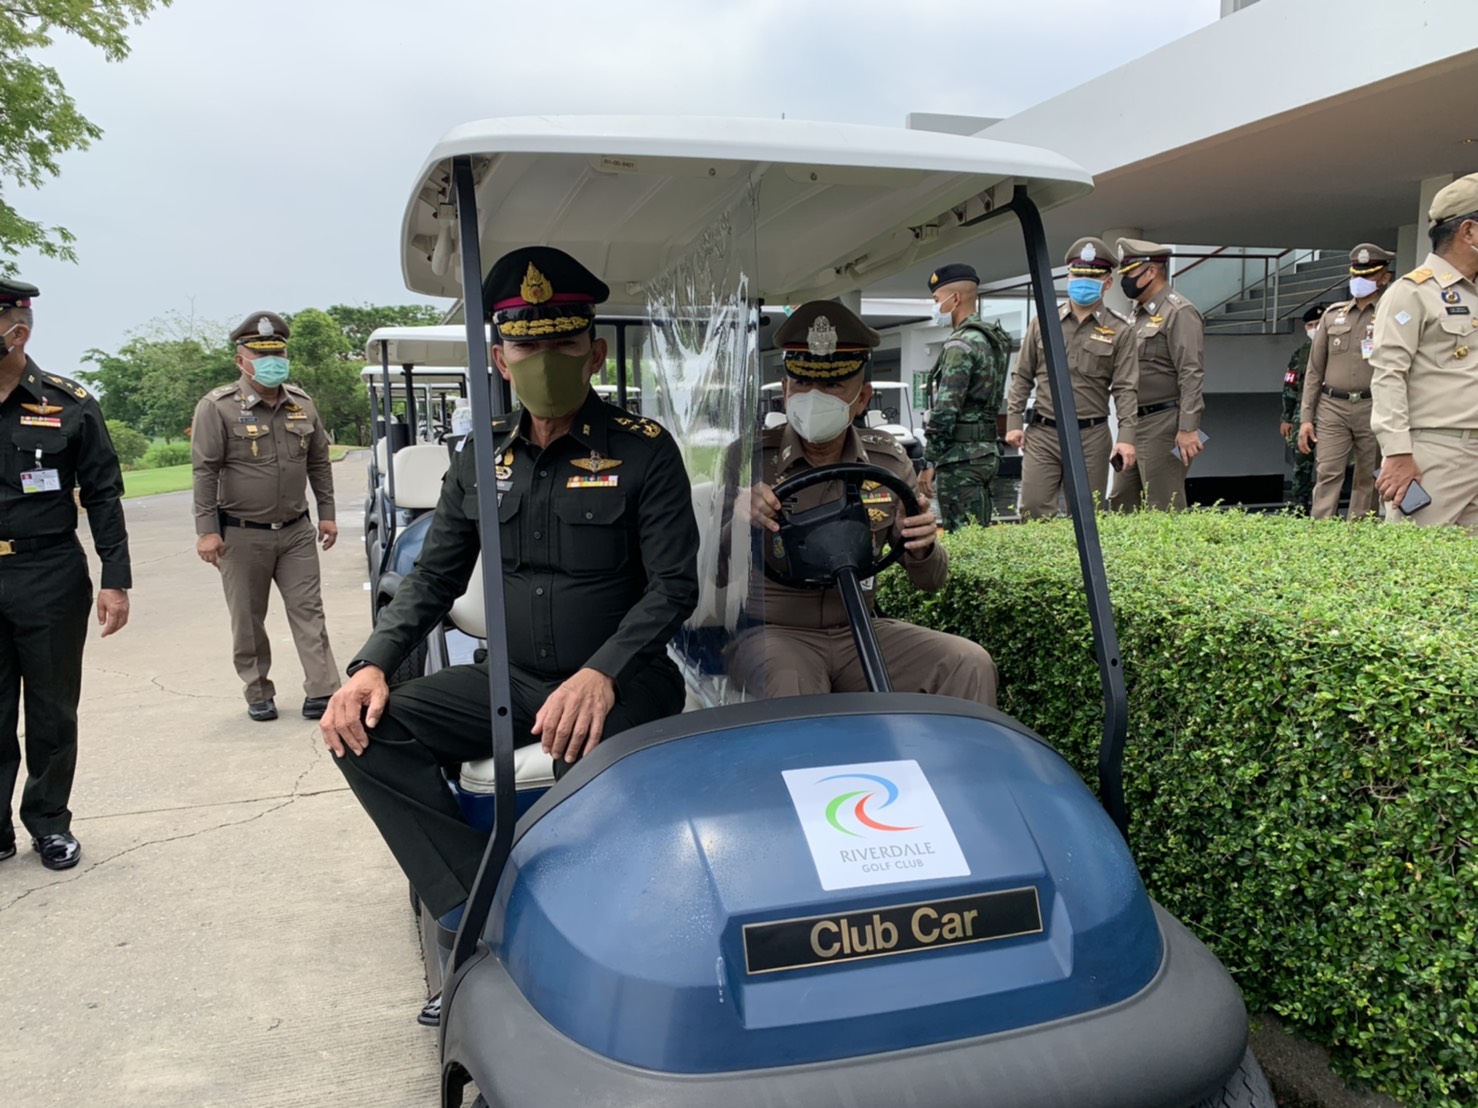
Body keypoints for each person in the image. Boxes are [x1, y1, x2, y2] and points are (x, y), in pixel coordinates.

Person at [320, 246, 699, 925]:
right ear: (500, 359)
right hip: (512, 680)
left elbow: (673, 587)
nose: (544, 361)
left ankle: (606, 919)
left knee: (583, 757)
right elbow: (434, 576)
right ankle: (475, 901)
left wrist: (600, 673)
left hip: (624, 681)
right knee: (363, 732)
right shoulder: (480, 457)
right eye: (527, 346)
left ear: (594, 354)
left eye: (563, 344)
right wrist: (371, 664)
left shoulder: (643, 449)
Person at [727, 302, 997, 704]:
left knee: (967, 662)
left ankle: (960, 750)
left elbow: (931, 581)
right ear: (785, 391)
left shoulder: (888, 460)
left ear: (862, 397)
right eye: (802, 383)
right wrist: (738, 518)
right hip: (773, 632)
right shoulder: (749, 459)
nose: (814, 396)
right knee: (792, 682)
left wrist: (921, 546)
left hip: (858, 629)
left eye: (834, 385)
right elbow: (711, 574)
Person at [0, 279, 131, 871]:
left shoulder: (67, 402)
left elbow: (102, 493)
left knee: (52, 710)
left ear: (17, 332)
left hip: (48, 571)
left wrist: (115, 578)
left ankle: (49, 822)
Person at [191, 312, 341, 722]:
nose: (272, 361)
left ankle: (323, 689)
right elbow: (205, 472)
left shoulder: (302, 404)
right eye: (262, 355)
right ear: (241, 360)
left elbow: (319, 462)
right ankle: (258, 691)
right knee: (247, 619)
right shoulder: (217, 407)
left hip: (296, 530)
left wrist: (327, 514)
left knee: (309, 611)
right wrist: (206, 531)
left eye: (278, 353)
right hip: (241, 534)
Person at [1372, 173, 1478, 531]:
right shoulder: (1412, 293)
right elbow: (1388, 375)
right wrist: (1398, 453)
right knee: (1417, 557)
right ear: (1468, 232)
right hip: (1436, 452)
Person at [1005, 237, 1138, 519]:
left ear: (1107, 283)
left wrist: (1126, 437)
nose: (1082, 282)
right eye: (1077, 276)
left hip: (1091, 435)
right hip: (1043, 433)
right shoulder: (1044, 321)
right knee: (1034, 508)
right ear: (1068, 278)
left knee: (1087, 513)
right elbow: (1022, 375)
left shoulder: (1120, 330)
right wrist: (1014, 422)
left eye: (1092, 277)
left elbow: (1126, 388)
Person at [1297, 244, 1394, 520]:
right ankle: (1322, 532)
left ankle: (1358, 533)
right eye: (1355, 275)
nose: (1359, 281)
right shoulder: (1332, 315)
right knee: (1327, 472)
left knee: (1368, 476)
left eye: (1368, 275)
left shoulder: (1390, 314)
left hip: (1372, 405)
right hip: (1333, 405)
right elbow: (1314, 371)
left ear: (1384, 278)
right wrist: (1306, 418)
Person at [1109, 238, 1205, 511]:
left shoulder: (1179, 312)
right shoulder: (1137, 315)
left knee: (1162, 505)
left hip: (1164, 424)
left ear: (1151, 271)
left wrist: (1188, 428)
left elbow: (1191, 372)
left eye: (1130, 273)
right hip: (1134, 424)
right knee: (1122, 502)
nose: (1125, 281)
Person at [918, 264, 1011, 530]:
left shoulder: (960, 344)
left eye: (936, 300)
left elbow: (946, 409)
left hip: (960, 458)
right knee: (977, 532)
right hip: (986, 452)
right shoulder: (991, 338)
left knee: (962, 538)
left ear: (955, 298)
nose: (935, 307)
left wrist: (929, 461)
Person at [1281, 305, 1326, 513]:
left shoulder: (1337, 349)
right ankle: (1300, 502)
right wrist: (1286, 417)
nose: (1314, 328)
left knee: (1329, 462)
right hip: (1302, 412)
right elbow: (1289, 386)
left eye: (1318, 324)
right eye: (1310, 325)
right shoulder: (1300, 354)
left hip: (1330, 410)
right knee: (1301, 460)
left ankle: (1326, 505)